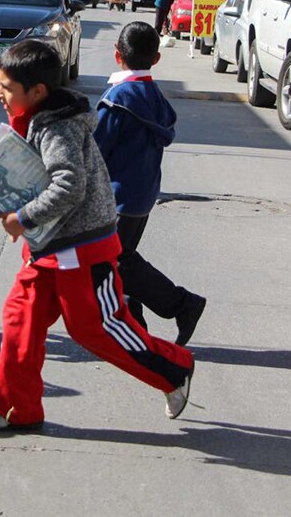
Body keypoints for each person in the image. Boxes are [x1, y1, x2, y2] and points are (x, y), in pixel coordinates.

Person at [0, 40, 195, 432]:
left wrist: (21, 217)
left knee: (94, 328)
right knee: (18, 320)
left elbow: (69, 186)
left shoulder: (57, 126)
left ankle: (174, 369)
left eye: (7, 87)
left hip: (82, 248)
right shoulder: (37, 118)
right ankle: (13, 406)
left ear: (37, 91)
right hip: (48, 247)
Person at [94, 22, 207, 345]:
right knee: (117, 259)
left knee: (111, 260)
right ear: (156, 59)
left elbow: (95, 150)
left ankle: (181, 304)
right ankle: (134, 322)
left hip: (117, 196)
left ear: (117, 55)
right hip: (141, 194)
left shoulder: (118, 99)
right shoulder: (154, 96)